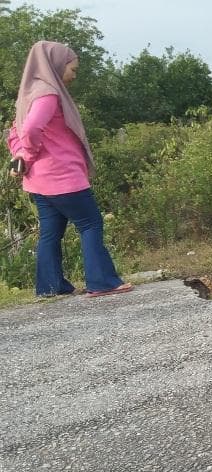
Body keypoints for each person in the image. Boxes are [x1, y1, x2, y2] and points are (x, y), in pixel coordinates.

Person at [6, 41, 131, 298]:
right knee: (90, 224)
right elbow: (29, 130)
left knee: (50, 232)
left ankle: (50, 287)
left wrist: (20, 156)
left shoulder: (28, 93)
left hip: (39, 180)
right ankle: (102, 282)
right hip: (61, 176)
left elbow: (15, 132)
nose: (74, 75)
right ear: (57, 65)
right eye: (72, 69)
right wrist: (27, 154)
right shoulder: (48, 94)